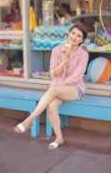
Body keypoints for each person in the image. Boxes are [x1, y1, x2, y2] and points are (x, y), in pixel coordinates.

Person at [14, 22, 89, 150]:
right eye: (73, 33)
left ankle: (30, 119)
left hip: (75, 89)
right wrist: (64, 61)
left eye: (78, 36)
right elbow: (53, 73)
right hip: (57, 89)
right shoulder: (57, 50)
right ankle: (59, 138)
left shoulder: (83, 54)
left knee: (53, 89)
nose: (74, 37)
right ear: (68, 33)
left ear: (81, 40)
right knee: (52, 105)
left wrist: (59, 87)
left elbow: (76, 77)